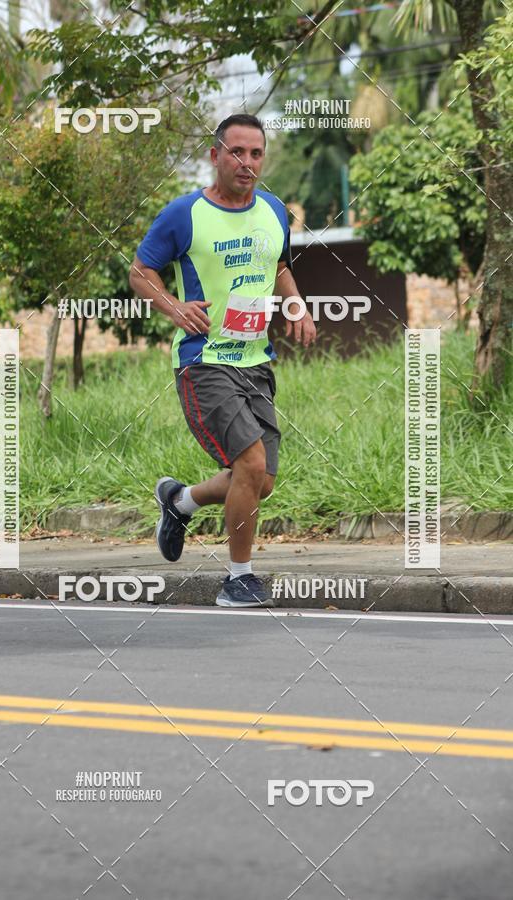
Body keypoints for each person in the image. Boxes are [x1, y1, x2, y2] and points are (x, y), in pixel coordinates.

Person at [129, 113, 316, 608]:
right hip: (204, 361)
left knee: (262, 481)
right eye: (236, 152)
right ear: (215, 155)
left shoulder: (275, 211)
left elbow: (278, 266)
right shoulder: (185, 214)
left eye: (256, 153)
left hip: (256, 361)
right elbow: (140, 271)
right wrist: (174, 307)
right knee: (250, 464)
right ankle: (238, 578)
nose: (247, 162)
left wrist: (294, 303)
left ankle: (179, 500)